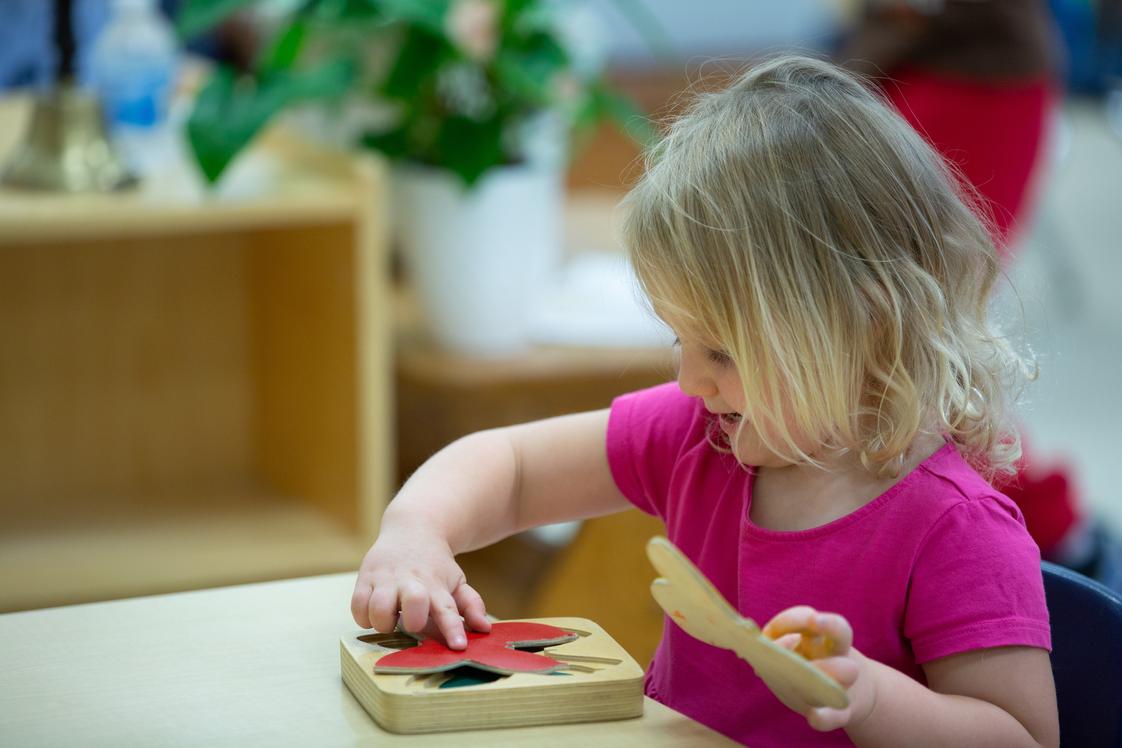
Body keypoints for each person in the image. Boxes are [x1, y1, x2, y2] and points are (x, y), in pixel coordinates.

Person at [351, 56, 1059, 747]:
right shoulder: (703, 435)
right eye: (682, 341)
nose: (690, 379)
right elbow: (512, 468)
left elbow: (1022, 735)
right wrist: (417, 530)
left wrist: (868, 697)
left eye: (720, 351)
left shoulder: (958, 531)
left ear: (865, 329)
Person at [840, 0, 1122, 591]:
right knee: (883, 344)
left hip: (973, 76)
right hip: (907, 63)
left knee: (908, 341)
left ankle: (1056, 543)